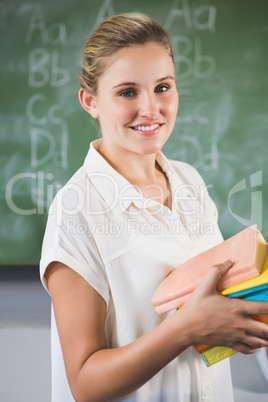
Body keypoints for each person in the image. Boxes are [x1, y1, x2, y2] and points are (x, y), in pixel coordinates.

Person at [40, 13, 268, 402]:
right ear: (90, 101)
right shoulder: (76, 210)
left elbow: (204, 298)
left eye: (163, 87)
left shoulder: (189, 182)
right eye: (128, 92)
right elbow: (84, 382)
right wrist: (185, 329)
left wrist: (241, 316)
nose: (151, 108)